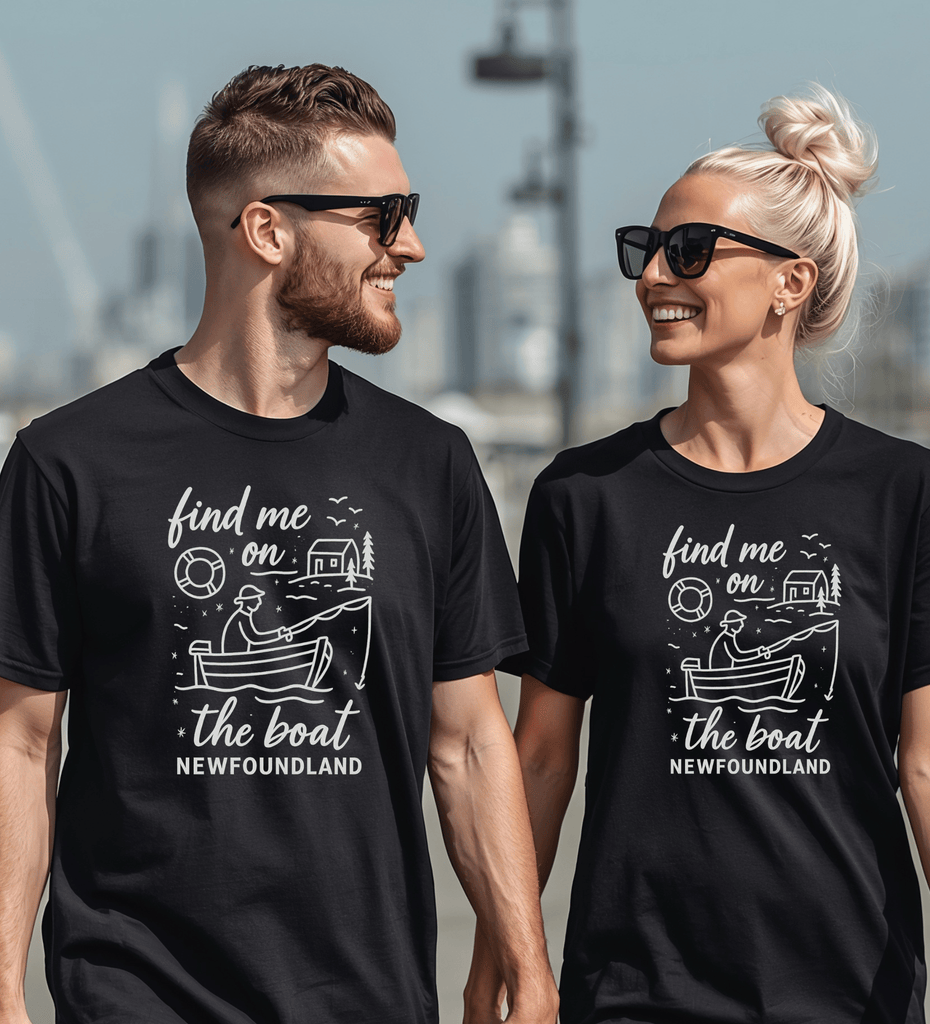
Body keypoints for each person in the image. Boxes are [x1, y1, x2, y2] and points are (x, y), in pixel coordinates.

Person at [0, 64, 558, 1024]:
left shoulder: (429, 462)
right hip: (136, 992)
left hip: (369, 997)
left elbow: (468, 741)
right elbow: (18, 741)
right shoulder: (68, 463)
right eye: (382, 218)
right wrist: (3, 987)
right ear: (267, 229)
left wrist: (526, 966)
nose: (411, 247)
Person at [465, 87, 930, 1024]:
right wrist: (505, 965)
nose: (651, 277)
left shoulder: (906, 494)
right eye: (645, 251)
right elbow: (541, 762)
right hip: (636, 986)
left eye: (687, 251)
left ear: (789, 283)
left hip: (851, 988)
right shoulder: (586, 496)